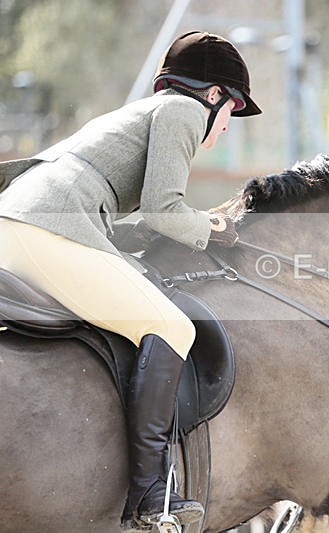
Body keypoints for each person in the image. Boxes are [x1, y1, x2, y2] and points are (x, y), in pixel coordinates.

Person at [0, 31, 261, 527]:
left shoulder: (141, 114)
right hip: (45, 228)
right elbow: (166, 211)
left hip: (19, 223)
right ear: (212, 96)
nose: (228, 126)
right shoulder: (183, 112)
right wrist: (214, 226)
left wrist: (197, 225)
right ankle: (149, 493)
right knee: (173, 327)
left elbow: (132, 221)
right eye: (232, 110)